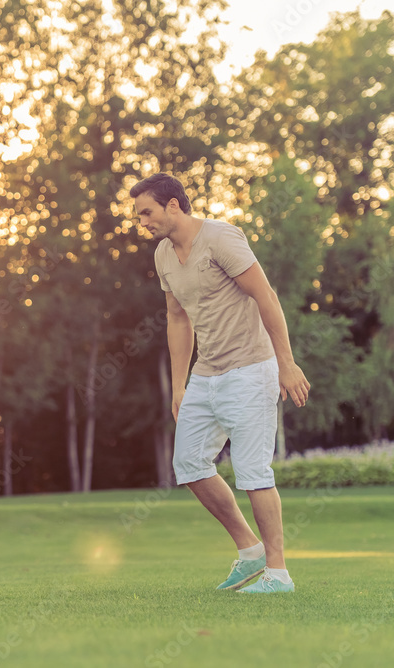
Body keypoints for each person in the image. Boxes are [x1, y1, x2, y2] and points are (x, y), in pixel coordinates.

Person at [131, 173, 310, 593]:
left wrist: (286, 363)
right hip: (206, 375)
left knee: (252, 471)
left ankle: (278, 573)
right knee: (189, 464)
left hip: (251, 369)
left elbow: (265, 295)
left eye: (147, 212)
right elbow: (177, 318)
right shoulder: (163, 255)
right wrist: (179, 387)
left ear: (173, 204)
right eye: (139, 215)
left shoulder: (222, 238)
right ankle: (250, 553)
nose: (142, 221)